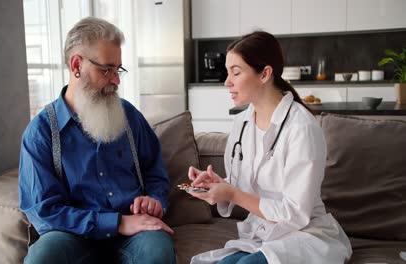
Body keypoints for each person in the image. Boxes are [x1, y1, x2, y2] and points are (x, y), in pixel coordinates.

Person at [19, 17, 175, 264]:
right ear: (76, 64)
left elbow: (155, 173)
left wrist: (154, 200)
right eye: (107, 69)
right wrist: (117, 223)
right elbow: (44, 211)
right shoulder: (41, 133)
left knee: (157, 251)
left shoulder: (130, 117)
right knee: (41, 258)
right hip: (73, 235)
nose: (116, 80)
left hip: (135, 233)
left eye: (118, 69)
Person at [186, 31, 352, 264]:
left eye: (236, 72)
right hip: (263, 233)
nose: (227, 82)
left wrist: (232, 193)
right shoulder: (241, 123)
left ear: (264, 74)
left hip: (305, 234)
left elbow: (295, 214)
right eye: (227, 72)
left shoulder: (301, 127)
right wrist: (216, 186)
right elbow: (243, 185)